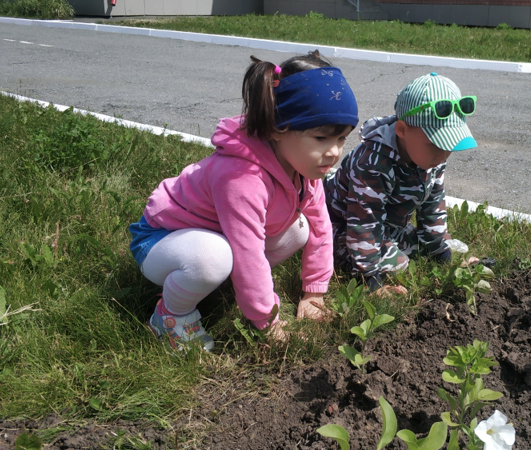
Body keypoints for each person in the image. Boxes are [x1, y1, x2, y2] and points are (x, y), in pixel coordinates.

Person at [128, 51, 359, 350]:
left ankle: (226, 286)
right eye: (321, 138)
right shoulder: (242, 177)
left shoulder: (304, 167)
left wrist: (314, 292)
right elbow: (248, 251)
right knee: (213, 258)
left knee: (300, 228)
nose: (334, 152)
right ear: (278, 129)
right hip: (161, 240)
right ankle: (171, 315)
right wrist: (269, 321)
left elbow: (320, 227)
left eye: (341, 139)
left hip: (215, 237)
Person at [325, 72, 477, 294]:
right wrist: (371, 279)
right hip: (343, 224)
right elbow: (364, 223)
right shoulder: (373, 163)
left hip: (386, 226)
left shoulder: (431, 159)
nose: (444, 155)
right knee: (399, 263)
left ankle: (402, 251)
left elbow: (433, 207)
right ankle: (353, 264)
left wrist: (443, 255)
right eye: (436, 145)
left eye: (450, 145)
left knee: (417, 245)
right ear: (402, 130)